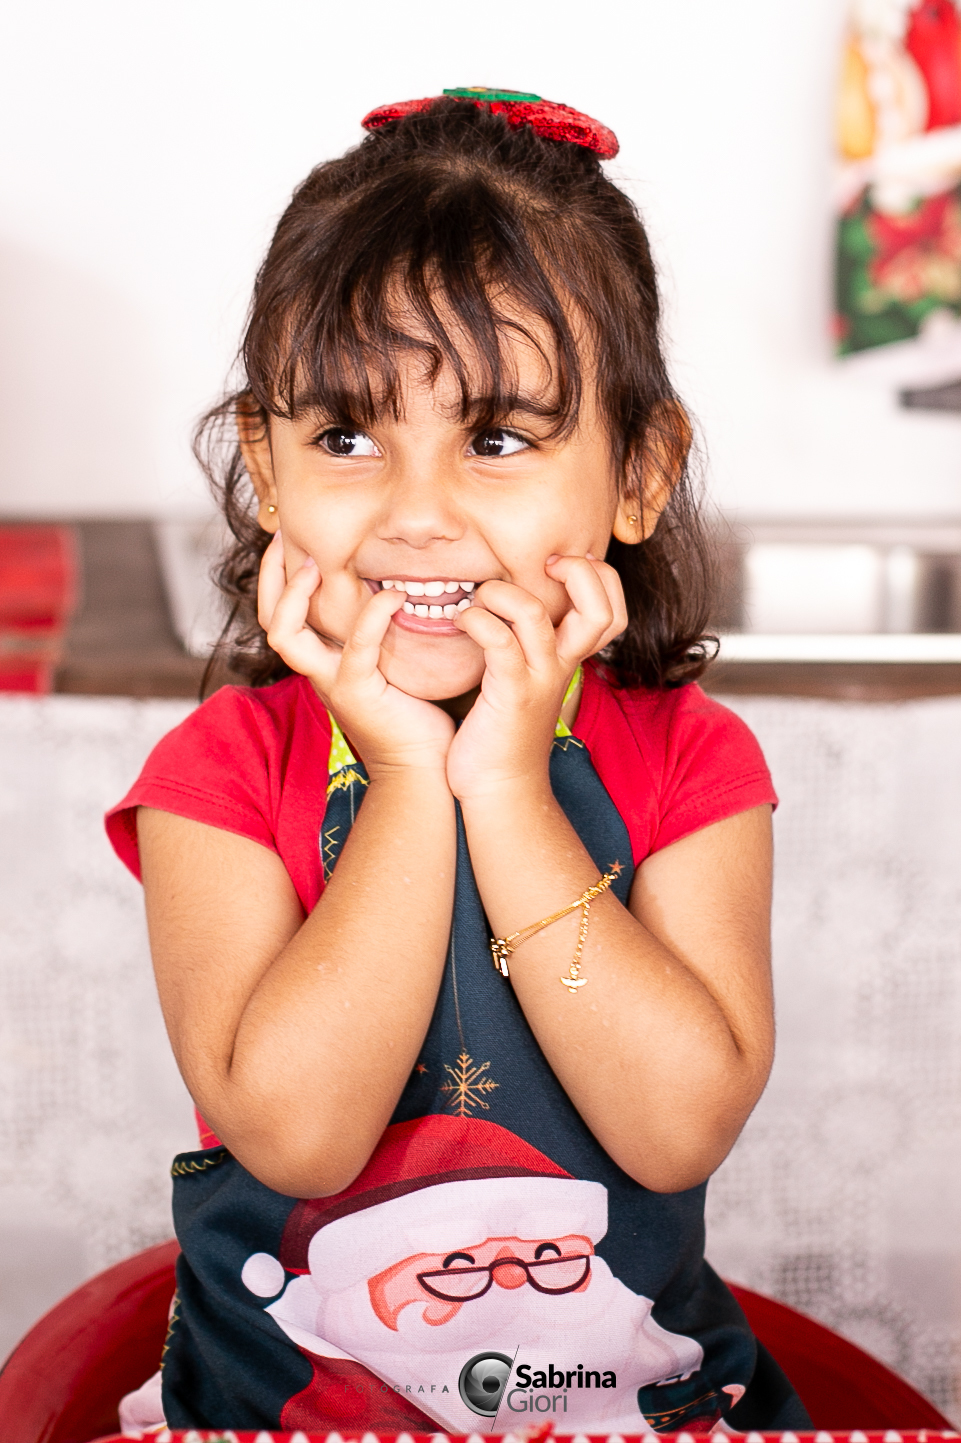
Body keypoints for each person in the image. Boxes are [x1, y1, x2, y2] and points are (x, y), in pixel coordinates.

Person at [106, 88, 808, 1434]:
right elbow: (297, 1137)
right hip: (285, 1418)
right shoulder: (219, 772)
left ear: (637, 476)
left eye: (495, 442)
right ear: (264, 462)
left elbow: (674, 1130)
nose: (414, 515)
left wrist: (501, 782)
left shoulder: (693, 762)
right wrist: (410, 779)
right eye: (344, 438)